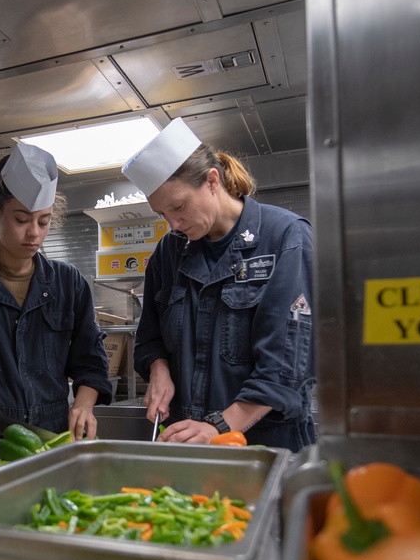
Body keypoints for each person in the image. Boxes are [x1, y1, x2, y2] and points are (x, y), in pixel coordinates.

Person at [123, 118, 315, 451]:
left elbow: (286, 364)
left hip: (264, 442)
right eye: (162, 214)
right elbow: (150, 339)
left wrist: (222, 426)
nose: (174, 223)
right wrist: (158, 368)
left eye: (179, 207)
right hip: (190, 436)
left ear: (213, 181)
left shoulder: (285, 237)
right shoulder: (169, 253)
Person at [0, 144, 111, 439]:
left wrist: (83, 405)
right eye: (21, 220)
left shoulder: (68, 282)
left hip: (53, 433)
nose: (34, 233)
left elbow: (91, 360)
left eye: (43, 221)